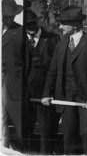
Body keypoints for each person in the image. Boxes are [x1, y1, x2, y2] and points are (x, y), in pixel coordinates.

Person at [41, 5, 87, 154]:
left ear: (75, 25)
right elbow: (52, 72)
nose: (60, 26)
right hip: (65, 95)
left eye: (63, 23)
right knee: (69, 135)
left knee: (86, 131)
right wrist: (46, 93)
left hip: (86, 96)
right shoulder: (61, 44)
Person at [24, 9, 60, 154]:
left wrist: (51, 91)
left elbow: (57, 67)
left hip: (45, 91)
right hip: (25, 92)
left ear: (37, 22)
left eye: (32, 23)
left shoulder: (53, 39)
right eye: (27, 25)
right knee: (26, 128)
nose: (30, 27)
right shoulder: (20, 39)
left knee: (47, 128)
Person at [2, 0, 27, 152]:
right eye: (6, 16)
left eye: (12, 16)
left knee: (18, 130)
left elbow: (27, 62)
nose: (10, 19)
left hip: (12, 88)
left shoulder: (20, 32)